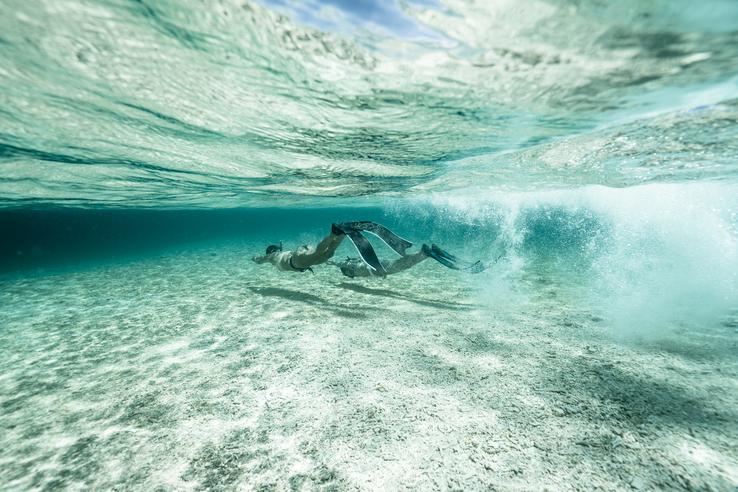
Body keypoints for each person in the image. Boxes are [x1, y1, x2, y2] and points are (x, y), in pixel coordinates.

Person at [252, 221, 484, 276]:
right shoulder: (282, 255)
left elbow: (266, 257)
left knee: (318, 254)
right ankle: (339, 233)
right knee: (326, 254)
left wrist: (257, 259)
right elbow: (331, 259)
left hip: (296, 261)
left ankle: (335, 232)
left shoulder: (274, 256)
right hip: (301, 260)